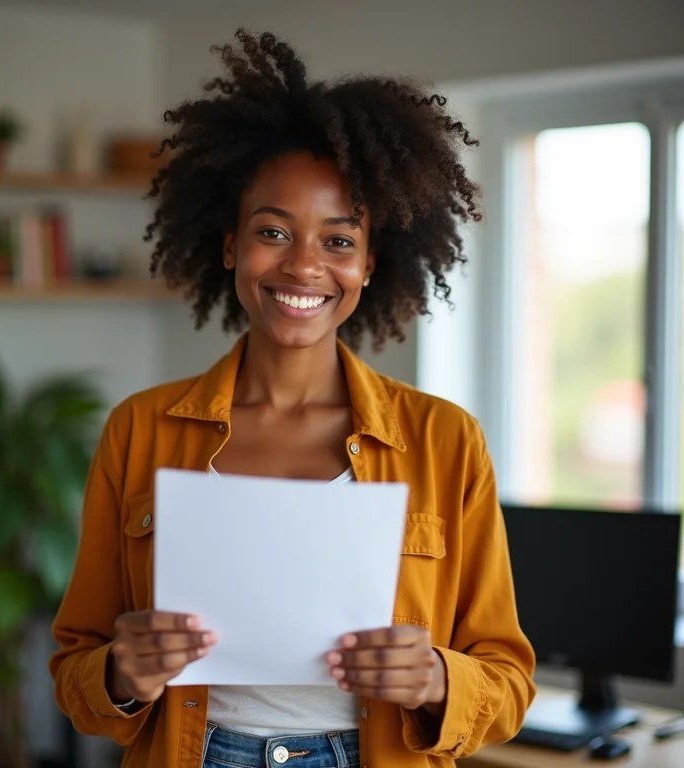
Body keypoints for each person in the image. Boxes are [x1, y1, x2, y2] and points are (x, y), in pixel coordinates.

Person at [49, 28, 536, 768]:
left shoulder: (445, 439)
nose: (304, 265)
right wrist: (122, 670)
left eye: (339, 241)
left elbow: (508, 681)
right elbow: (75, 666)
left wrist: (437, 678)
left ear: (372, 263)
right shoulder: (138, 429)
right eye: (273, 231)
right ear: (228, 246)